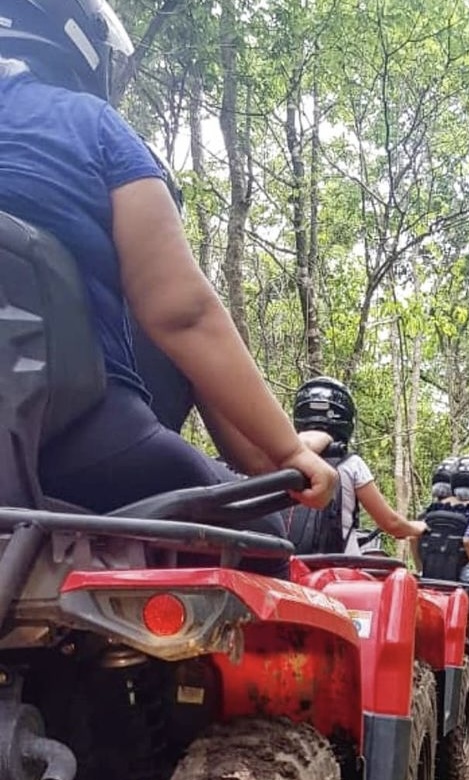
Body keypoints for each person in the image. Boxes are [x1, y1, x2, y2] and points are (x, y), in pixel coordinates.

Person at [0, 0, 336, 519]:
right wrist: (290, 450)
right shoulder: (94, 126)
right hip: (79, 439)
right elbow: (181, 312)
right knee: (263, 529)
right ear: (76, 41)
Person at [285, 376, 427, 554]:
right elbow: (391, 524)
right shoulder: (351, 464)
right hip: (337, 565)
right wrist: (418, 527)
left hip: (281, 563)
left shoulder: (277, 462)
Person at [412, 454, 469, 585]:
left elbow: (412, 537)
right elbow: (468, 540)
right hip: (460, 576)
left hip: (429, 575)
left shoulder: (431, 512)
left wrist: (420, 568)